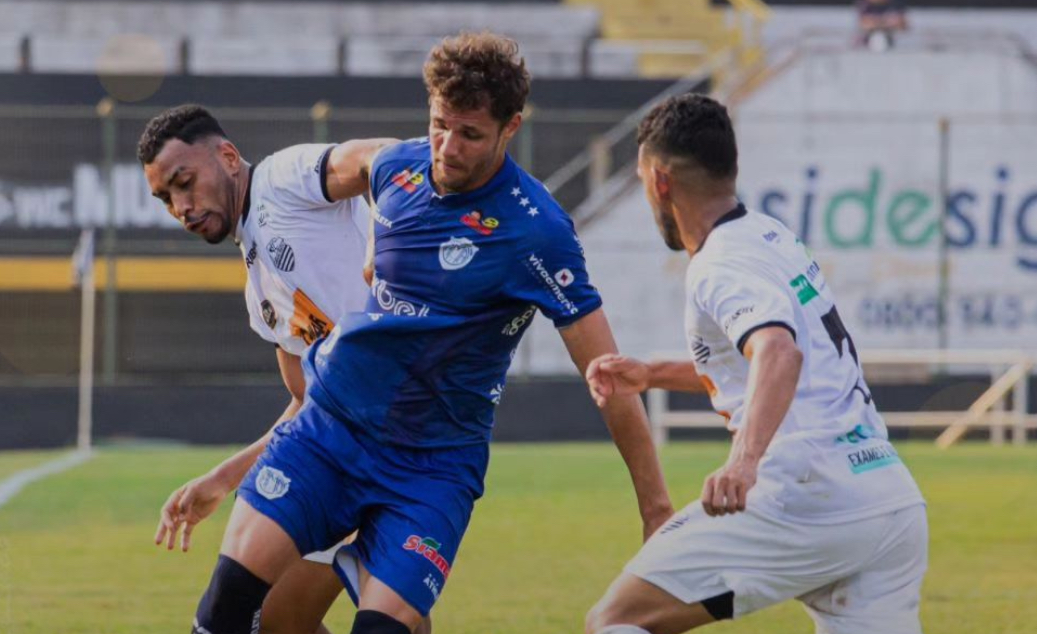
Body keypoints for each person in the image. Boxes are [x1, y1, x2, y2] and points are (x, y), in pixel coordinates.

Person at [182, 32, 674, 634]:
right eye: (439, 124)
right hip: (331, 431)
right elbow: (370, 175)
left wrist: (656, 510)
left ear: (510, 127)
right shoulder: (396, 167)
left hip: (432, 467)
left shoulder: (536, 232)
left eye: (470, 134)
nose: (447, 146)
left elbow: (610, 376)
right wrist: (372, 245)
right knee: (226, 610)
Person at [583, 93, 927, 634]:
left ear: (659, 181)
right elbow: (777, 361)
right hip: (887, 500)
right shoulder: (771, 235)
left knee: (617, 619)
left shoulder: (717, 264)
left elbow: (778, 352)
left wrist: (744, 462)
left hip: (806, 495)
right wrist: (651, 375)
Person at [138, 105, 433, 634]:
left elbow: (385, 157)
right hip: (343, 448)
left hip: (408, 443)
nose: (181, 206)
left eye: (185, 182)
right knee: (275, 620)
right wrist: (222, 479)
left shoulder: (284, 177)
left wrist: (379, 236)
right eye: (166, 198)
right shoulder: (260, 293)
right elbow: (306, 405)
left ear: (227, 157)